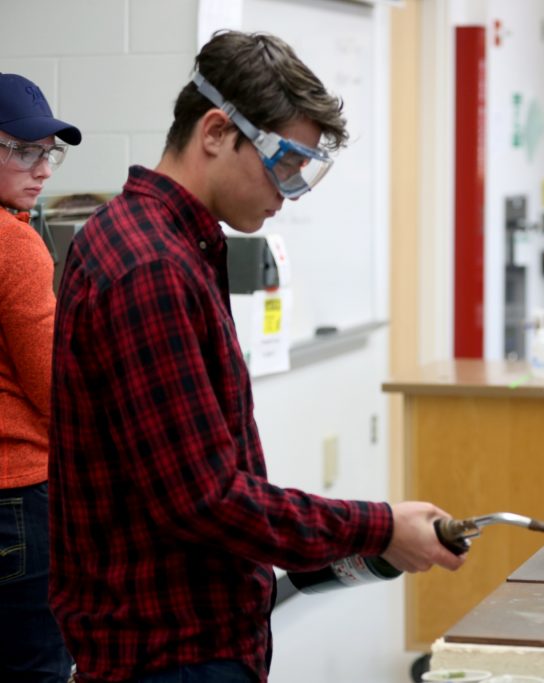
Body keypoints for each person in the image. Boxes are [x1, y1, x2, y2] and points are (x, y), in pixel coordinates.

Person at [47, 31, 464, 683]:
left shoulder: (154, 242)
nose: (291, 191)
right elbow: (203, 498)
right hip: (169, 656)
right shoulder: (152, 269)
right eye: (285, 162)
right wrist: (376, 528)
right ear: (216, 131)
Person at [0, 72, 79, 682]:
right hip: (16, 506)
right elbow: (56, 390)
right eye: (23, 150)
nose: (43, 168)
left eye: (48, 151)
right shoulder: (16, 245)